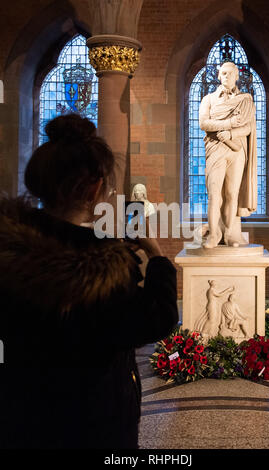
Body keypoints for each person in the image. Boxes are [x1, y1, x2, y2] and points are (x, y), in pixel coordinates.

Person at [0, 114, 178, 449]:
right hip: (96, 418)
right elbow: (156, 320)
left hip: (23, 411)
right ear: (94, 187)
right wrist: (156, 259)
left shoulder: (7, 249)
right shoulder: (108, 264)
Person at [199, 61, 257, 249]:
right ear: (218, 76)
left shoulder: (245, 100)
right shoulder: (208, 99)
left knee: (232, 193)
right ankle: (214, 234)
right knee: (214, 193)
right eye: (223, 73)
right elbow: (204, 124)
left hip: (236, 149)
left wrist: (231, 133)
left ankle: (230, 233)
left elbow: (248, 126)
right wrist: (229, 124)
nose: (226, 76)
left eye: (230, 73)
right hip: (215, 148)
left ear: (236, 76)